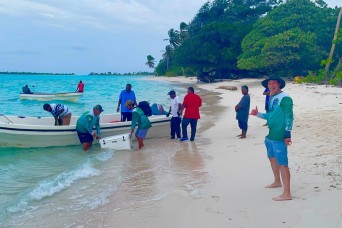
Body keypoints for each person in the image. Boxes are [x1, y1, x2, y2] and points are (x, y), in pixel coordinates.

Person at [250, 76, 293, 201]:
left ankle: (287, 193)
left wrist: (287, 134)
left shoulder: (285, 98)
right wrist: (256, 114)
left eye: (274, 83)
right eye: (269, 83)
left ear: (279, 84)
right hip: (270, 135)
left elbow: (290, 116)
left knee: (282, 164)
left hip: (279, 136)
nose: (271, 85)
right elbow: (270, 115)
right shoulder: (273, 97)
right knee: (272, 158)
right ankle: (277, 181)